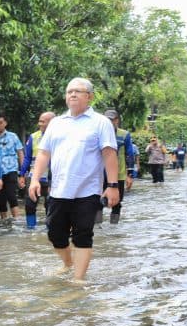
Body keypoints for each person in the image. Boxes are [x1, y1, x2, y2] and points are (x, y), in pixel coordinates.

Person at [28, 78, 119, 282]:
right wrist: (35, 179)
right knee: (55, 233)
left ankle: (78, 279)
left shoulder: (100, 122)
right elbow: (43, 153)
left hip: (88, 190)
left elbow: (109, 154)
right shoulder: (57, 123)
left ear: (90, 96)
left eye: (78, 91)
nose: (73, 94)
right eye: (69, 91)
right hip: (59, 189)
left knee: (83, 234)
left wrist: (113, 185)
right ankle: (68, 263)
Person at [18, 111, 55, 229]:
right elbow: (27, 157)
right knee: (29, 204)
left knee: (50, 204)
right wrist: (22, 174)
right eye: (39, 121)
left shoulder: (59, 137)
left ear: (51, 123)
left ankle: (50, 228)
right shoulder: (33, 137)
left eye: (42, 122)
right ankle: (31, 229)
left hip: (53, 177)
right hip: (34, 176)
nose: (39, 124)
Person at [98, 109, 134, 225]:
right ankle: (97, 227)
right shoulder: (98, 133)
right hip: (99, 175)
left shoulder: (124, 135)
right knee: (97, 202)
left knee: (116, 202)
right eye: (107, 120)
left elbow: (130, 154)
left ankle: (114, 227)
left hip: (118, 175)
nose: (109, 122)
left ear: (116, 121)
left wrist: (130, 175)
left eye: (112, 120)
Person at [0, 113, 24, 224]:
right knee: (1, 198)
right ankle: (4, 223)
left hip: (11, 170)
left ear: (5, 123)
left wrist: (22, 172)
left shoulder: (13, 136)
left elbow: (20, 153)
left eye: (1, 122)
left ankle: (17, 221)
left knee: (11, 195)